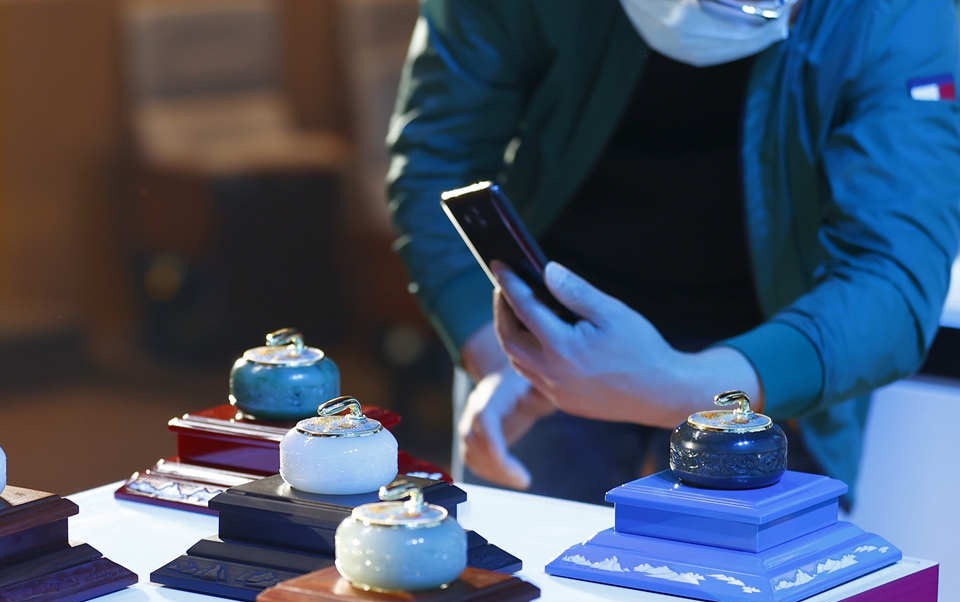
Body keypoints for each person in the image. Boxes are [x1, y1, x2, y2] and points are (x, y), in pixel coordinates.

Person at [387, 0, 960, 506]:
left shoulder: (896, 15)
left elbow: (892, 274)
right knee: (525, 594)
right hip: (551, 335)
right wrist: (495, 353)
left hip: (770, 348)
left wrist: (684, 384)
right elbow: (438, 157)